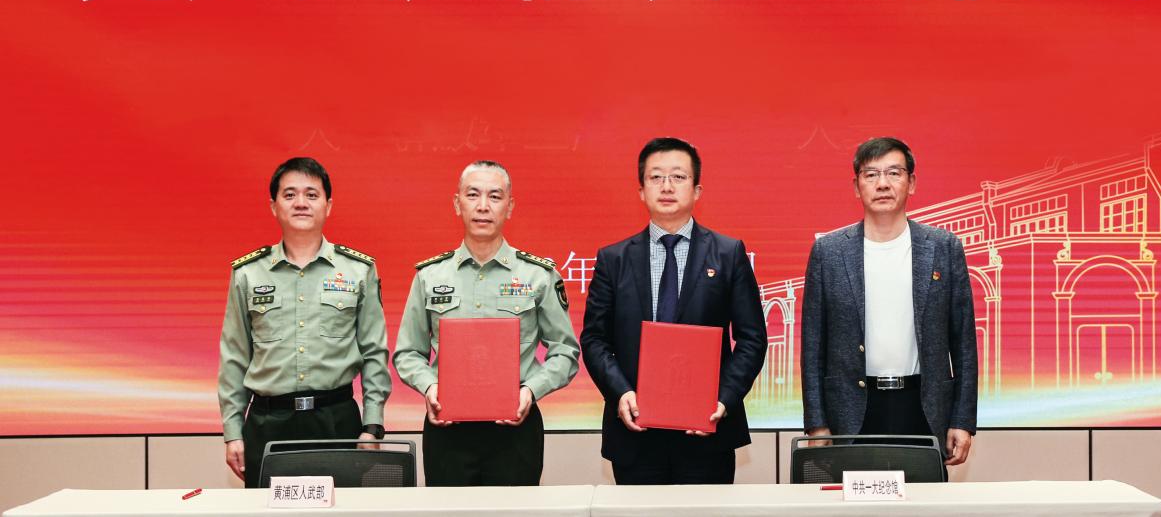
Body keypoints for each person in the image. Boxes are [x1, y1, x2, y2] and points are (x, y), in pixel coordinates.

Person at [580, 137, 768, 484]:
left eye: (678, 177)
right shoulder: (613, 259)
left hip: (708, 431)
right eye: (656, 177)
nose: (667, 187)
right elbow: (594, 339)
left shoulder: (728, 254)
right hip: (634, 431)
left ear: (697, 190)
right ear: (641, 191)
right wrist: (621, 392)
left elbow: (752, 339)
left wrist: (724, 399)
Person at [393, 160, 579, 486]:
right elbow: (408, 352)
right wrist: (430, 387)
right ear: (457, 203)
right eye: (473, 195)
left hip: (516, 429)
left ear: (510, 207)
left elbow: (565, 351)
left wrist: (531, 391)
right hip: (447, 429)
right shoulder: (429, 276)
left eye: (494, 196)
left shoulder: (538, 275)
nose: (483, 206)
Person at [801, 137, 977, 466]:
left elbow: (963, 342)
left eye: (894, 173)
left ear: (912, 182)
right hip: (851, 413)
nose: (883, 184)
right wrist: (816, 422)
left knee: (924, 497)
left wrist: (963, 420)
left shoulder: (943, 247)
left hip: (923, 409)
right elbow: (813, 345)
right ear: (856, 186)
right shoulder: (829, 252)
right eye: (871, 175)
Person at [217, 157, 390, 487]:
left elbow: (374, 353)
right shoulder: (248, 273)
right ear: (274, 206)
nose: (301, 203)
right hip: (268, 423)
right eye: (290, 194)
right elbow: (234, 357)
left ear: (328, 205)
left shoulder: (358, 270)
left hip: (337, 422)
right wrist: (233, 431)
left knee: (341, 509)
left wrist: (372, 425)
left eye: (311, 194)